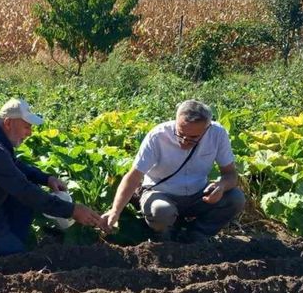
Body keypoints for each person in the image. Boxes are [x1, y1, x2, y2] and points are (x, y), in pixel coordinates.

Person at [0, 98, 109, 255]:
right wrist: (72, 210)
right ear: (8, 123)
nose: (29, 133)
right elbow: (24, 190)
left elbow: (14, 165)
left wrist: (46, 179)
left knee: (25, 205)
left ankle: (6, 239)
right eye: (26, 127)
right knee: (15, 256)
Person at [101, 100, 246, 243]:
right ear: (176, 121)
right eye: (180, 133)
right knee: (161, 211)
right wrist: (115, 211)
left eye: (193, 138)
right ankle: (164, 239)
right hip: (160, 193)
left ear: (207, 128)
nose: (184, 141)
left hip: (198, 195)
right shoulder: (158, 136)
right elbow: (133, 177)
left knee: (236, 198)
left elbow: (230, 174)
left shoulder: (217, 134)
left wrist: (221, 186)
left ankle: (197, 234)